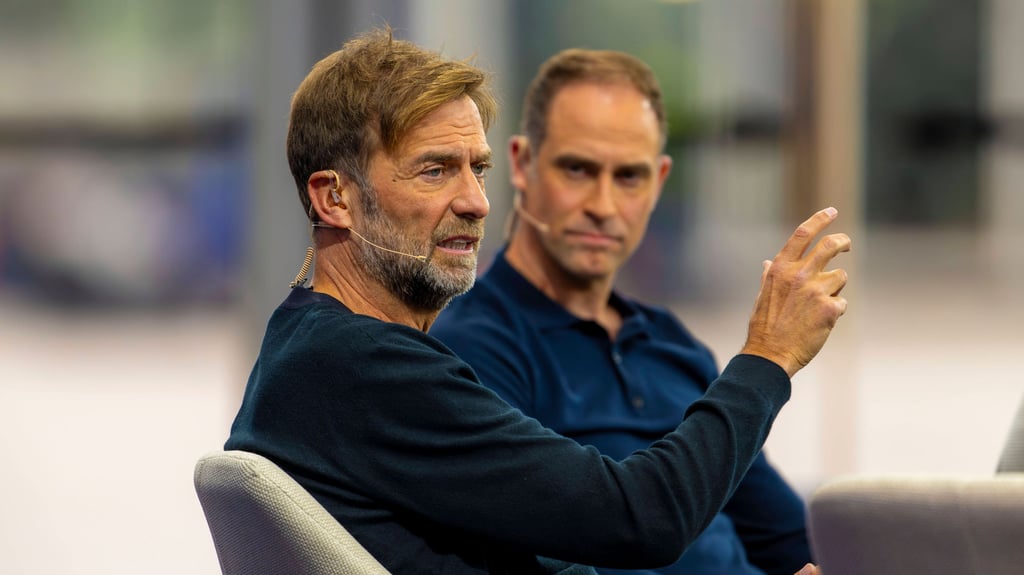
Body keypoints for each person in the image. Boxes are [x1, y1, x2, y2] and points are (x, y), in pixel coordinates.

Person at [225, 27, 849, 575]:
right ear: (333, 198)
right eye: (435, 170)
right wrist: (768, 357)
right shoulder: (360, 366)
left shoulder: (314, 344)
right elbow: (640, 519)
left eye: (477, 169)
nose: (476, 202)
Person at [430, 49, 816, 575]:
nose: (604, 206)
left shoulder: (670, 343)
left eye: (630, 176)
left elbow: (788, 537)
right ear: (521, 164)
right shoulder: (473, 349)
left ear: (659, 181)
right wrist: (768, 358)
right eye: (577, 169)